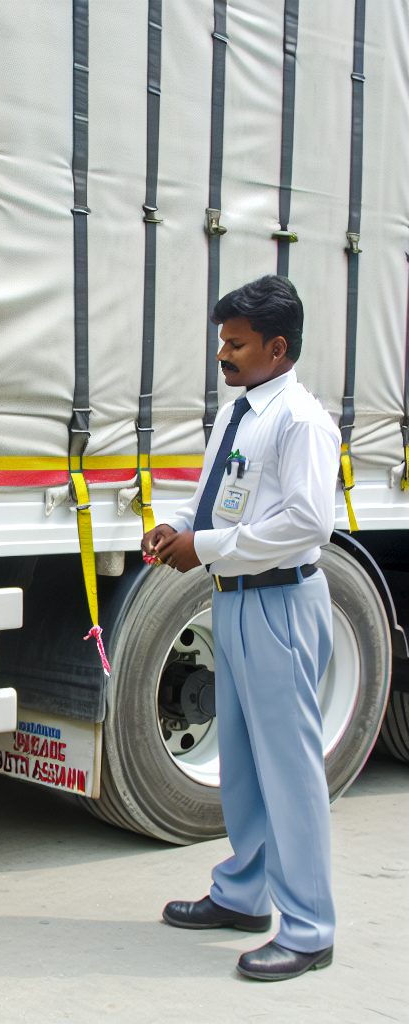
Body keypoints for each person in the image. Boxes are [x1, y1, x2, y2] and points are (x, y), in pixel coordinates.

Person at [143, 275, 341, 982]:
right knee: (248, 765)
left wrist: (210, 550)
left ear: (277, 348)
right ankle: (243, 895)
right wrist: (184, 532)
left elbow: (307, 523)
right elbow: (229, 503)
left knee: (288, 770)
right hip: (236, 599)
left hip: (281, 603)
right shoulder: (244, 414)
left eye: (236, 344)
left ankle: (311, 929)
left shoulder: (300, 421)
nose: (223, 355)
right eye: (222, 342)